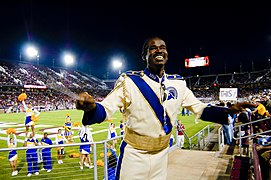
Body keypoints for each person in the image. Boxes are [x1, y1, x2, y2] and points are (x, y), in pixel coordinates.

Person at [76, 36, 254, 179]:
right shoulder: (129, 81)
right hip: (134, 156)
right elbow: (105, 109)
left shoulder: (178, 83)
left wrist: (230, 111)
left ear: (167, 54)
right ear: (144, 55)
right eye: (153, 48)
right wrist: (91, 108)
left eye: (163, 47)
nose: (159, 50)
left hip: (162, 156)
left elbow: (200, 109)